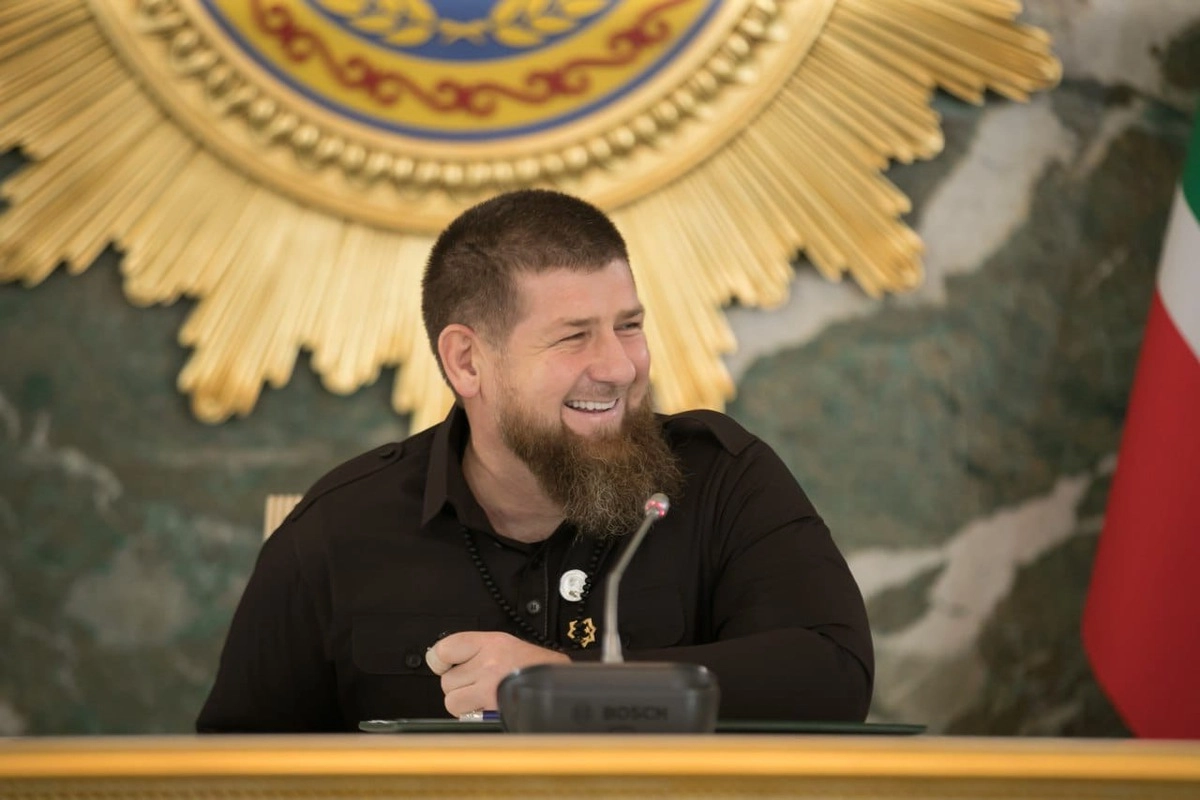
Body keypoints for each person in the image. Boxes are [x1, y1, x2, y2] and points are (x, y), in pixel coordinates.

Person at [196, 189, 873, 732]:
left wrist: (567, 687)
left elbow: (833, 675)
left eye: (629, 326)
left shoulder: (722, 478)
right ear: (468, 361)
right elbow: (236, 773)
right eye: (574, 337)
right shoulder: (338, 528)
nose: (619, 367)